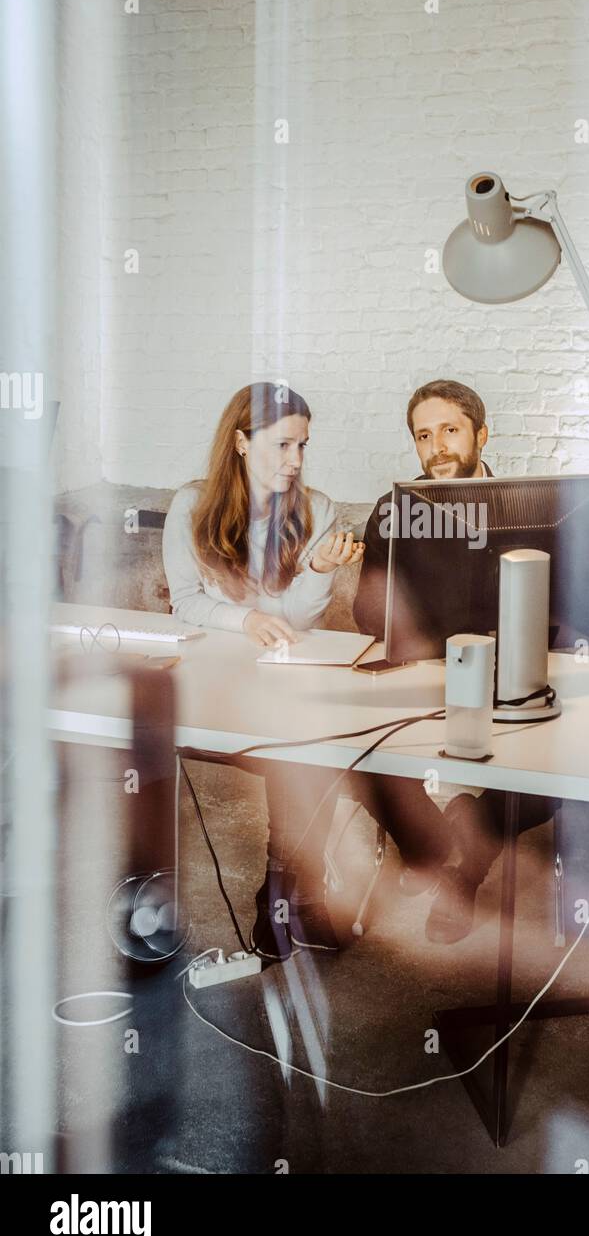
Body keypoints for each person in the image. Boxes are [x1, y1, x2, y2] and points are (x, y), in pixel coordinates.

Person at [353, 378, 560, 944]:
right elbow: (367, 615)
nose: (437, 446)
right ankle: (425, 844)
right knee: (349, 756)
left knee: (554, 776)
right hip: (423, 673)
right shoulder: (396, 509)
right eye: (424, 435)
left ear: (481, 435)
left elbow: (556, 618)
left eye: (450, 430)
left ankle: (467, 868)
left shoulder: (535, 507)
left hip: (513, 675)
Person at [162, 381, 364, 962]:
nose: (296, 461)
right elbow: (185, 603)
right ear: (242, 443)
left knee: (311, 742)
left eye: (303, 446)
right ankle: (296, 898)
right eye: (282, 446)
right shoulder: (191, 505)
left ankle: (289, 894)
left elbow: (298, 619)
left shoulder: (317, 510)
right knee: (298, 746)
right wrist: (247, 619)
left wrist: (320, 569)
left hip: (284, 671)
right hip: (215, 677)